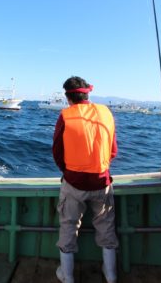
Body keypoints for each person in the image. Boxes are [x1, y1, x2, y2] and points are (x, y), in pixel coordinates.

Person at [52, 76, 119, 283]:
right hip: (102, 182)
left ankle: (68, 277)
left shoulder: (66, 115)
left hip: (73, 183)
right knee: (107, 229)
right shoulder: (106, 112)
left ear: (67, 96)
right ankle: (111, 276)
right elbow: (113, 151)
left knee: (68, 227)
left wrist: (70, 171)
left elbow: (57, 151)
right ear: (87, 93)